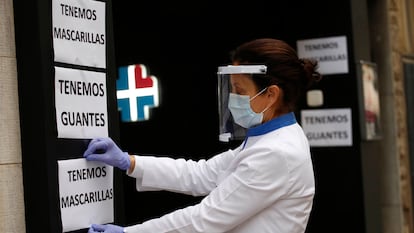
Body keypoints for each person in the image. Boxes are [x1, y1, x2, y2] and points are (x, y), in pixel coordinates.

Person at [84, 38, 322, 233]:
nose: (232, 98)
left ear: (271, 94)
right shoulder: (273, 137)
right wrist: (130, 162)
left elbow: (204, 220)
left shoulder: (277, 153)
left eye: (240, 90)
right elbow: (202, 174)